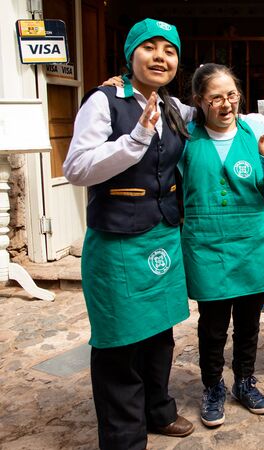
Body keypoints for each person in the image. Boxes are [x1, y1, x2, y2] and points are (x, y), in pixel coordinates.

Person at [63, 18, 195, 449]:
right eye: (150, 47)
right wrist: (135, 139)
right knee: (120, 341)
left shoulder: (173, 108)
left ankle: (158, 410)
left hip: (162, 237)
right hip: (119, 241)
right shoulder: (104, 102)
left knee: (159, 335)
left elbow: (221, 114)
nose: (161, 57)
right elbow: (77, 168)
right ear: (130, 54)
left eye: (169, 50)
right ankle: (123, 438)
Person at [180, 63, 264, 427]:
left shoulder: (254, 131)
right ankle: (213, 387)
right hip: (206, 244)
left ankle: (244, 381)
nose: (227, 104)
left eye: (232, 95)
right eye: (216, 98)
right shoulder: (186, 139)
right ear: (199, 101)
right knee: (212, 324)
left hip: (252, 243)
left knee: (248, 322)